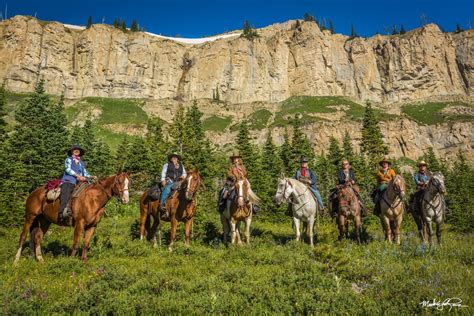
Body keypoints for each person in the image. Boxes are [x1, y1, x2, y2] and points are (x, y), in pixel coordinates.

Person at [59, 144, 95, 221]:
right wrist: (77, 176)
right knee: (67, 191)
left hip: (79, 182)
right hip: (69, 180)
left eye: (78, 150)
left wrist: (91, 176)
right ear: (72, 151)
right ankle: (62, 212)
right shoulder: (68, 159)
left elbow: (84, 173)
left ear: (79, 152)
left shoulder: (81, 162)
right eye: (75, 149)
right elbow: (68, 169)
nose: (76, 150)